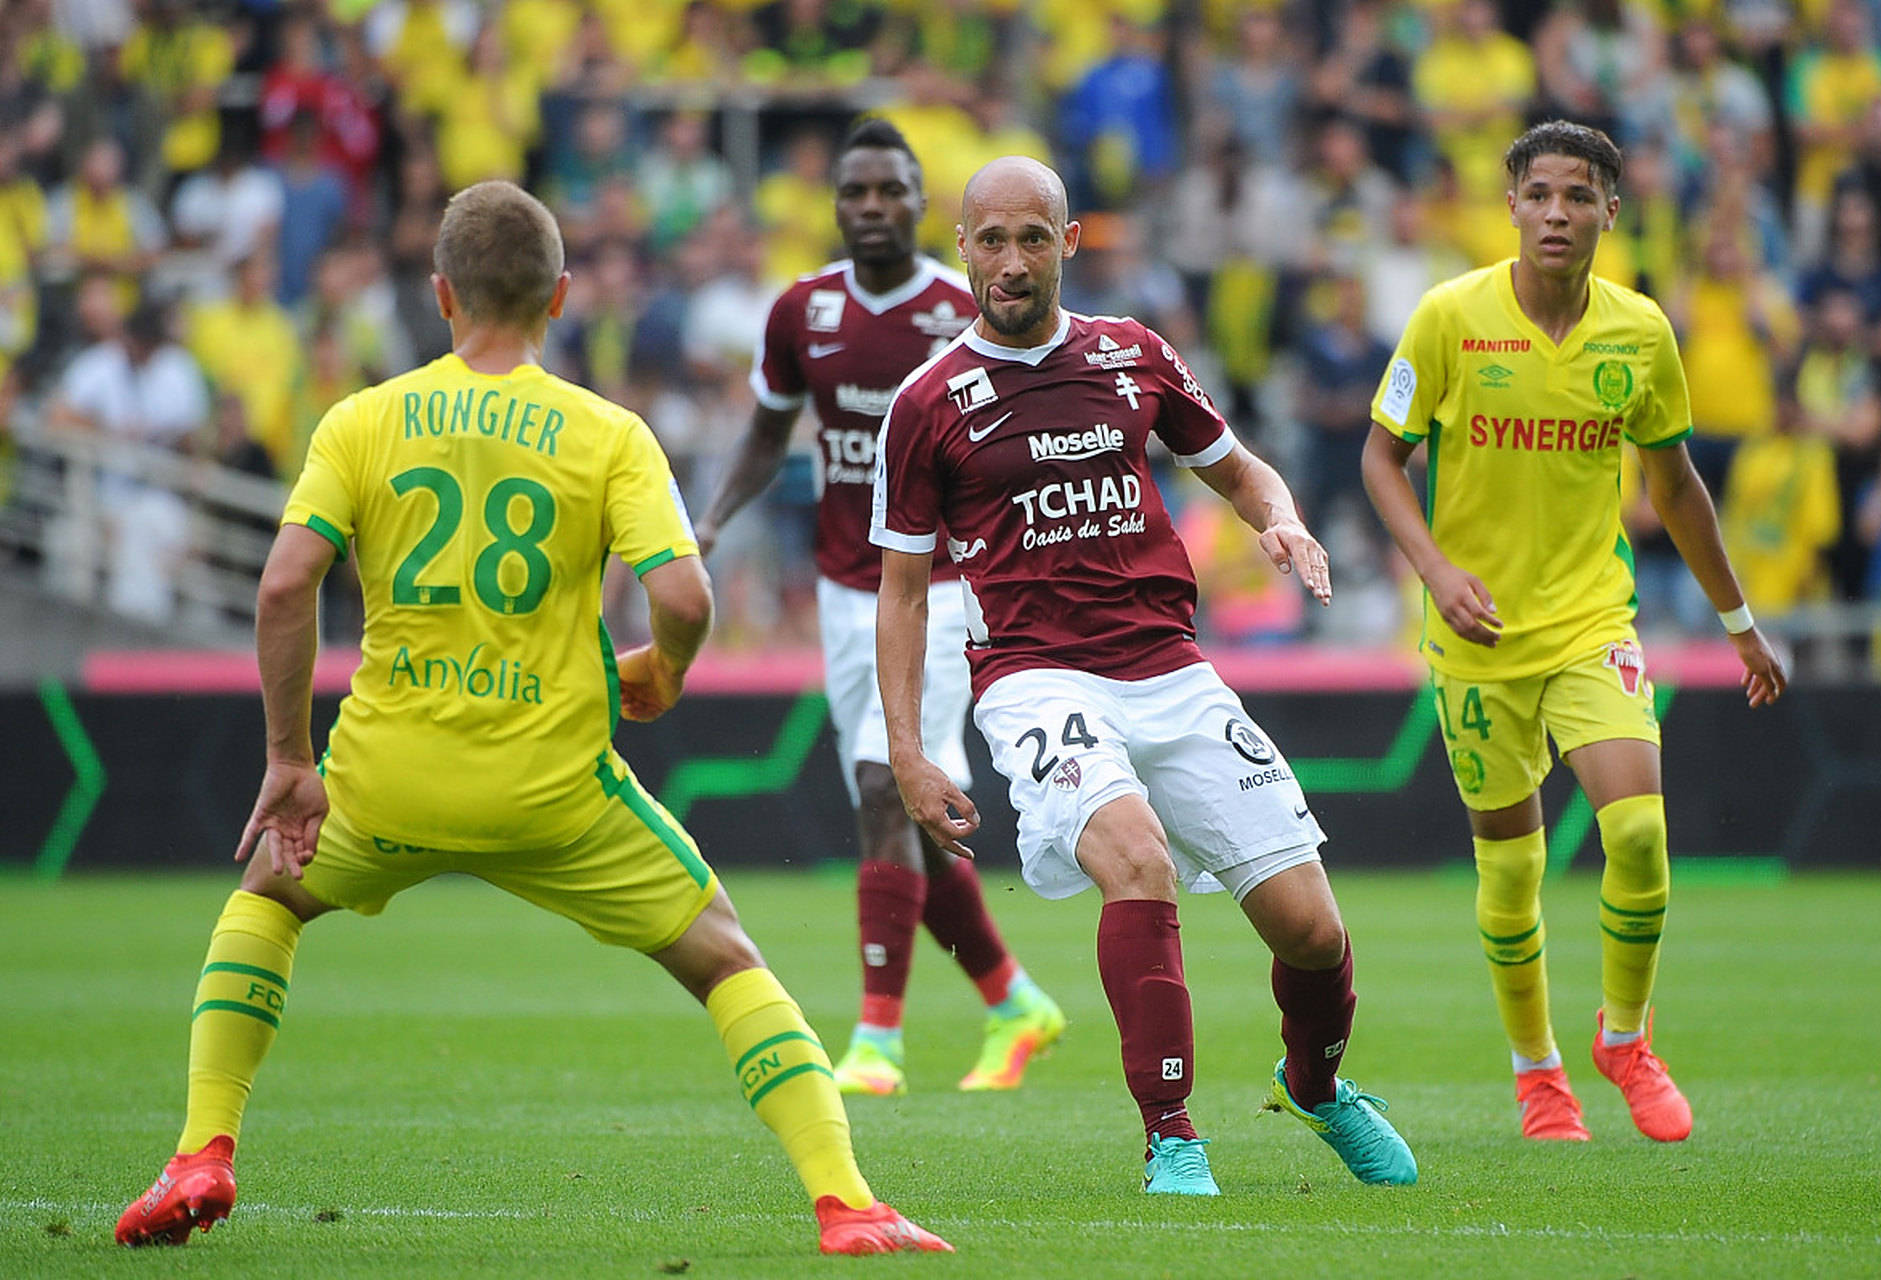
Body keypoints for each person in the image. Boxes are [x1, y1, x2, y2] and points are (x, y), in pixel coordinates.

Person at [113, 180, 950, 1258]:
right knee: (727, 959)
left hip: (386, 777)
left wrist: (286, 757)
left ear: (440, 292)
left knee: (266, 900)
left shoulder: (362, 419)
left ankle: (200, 1151)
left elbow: (283, 588)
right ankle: (846, 1202)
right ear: (560, 295)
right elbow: (685, 596)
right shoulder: (605, 432)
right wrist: (663, 669)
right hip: (555, 791)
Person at [870, 155, 1418, 1195]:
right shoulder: (926, 403)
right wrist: (906, 747)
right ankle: (1171, 1131)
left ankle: (1314, 1085)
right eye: (991, 239)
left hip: (1169, 666)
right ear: (960, 250)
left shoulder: (1134, 355)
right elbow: (900, 591)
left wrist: (1280, 517)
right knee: (1137, 856)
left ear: (1069, 243)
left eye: (1034, 237)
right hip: (1035, 676)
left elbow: (1237, 466)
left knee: (1308, 927)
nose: (1012, 260)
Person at [1359, 121, 1788, 1145]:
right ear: (1510, 205)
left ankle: (1624, 1037)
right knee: (1510, 868)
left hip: (1591, 616)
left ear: (1609, 210)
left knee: (1635, 829)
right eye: (1538, 194)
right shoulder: (1447, 318)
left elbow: (1674, 485)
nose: (1556, 212)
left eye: (1576, 195)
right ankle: (1535, 1072)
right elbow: (1380, 458)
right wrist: (1435, 569)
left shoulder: (1638, 332)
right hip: (1475, 636)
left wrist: (1737, 623)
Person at [694, 117, 1064, 1097]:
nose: (870, 206)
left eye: (889, 190)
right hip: (838, 588)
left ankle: (877, 1040)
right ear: (835, 203)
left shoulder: (965, 308)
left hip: (941, 588)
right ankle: (1013, 998)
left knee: (877, 778)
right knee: (906, 806)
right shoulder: (800, 310)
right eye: (853, 191)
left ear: (920, 204)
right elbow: (770, 432)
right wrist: (712, 521)